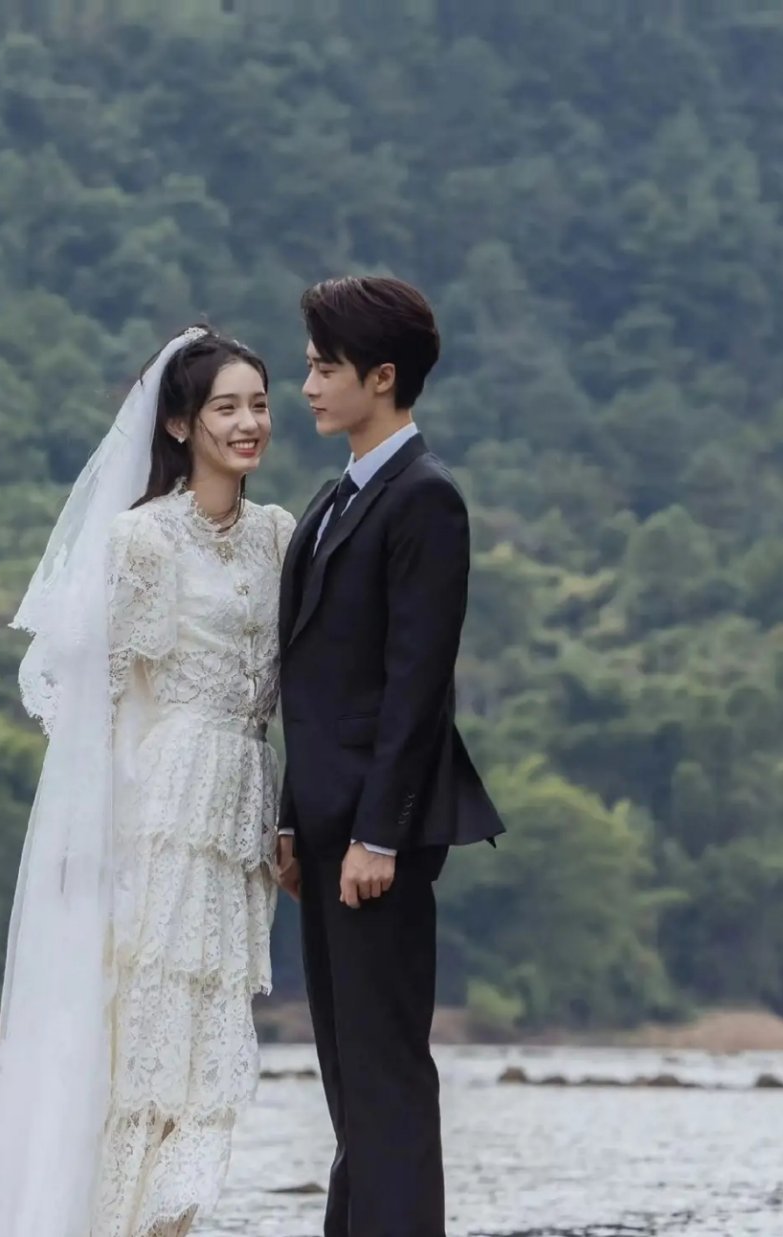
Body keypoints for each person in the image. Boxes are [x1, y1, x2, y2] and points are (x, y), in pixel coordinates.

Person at [0, 327, 295, 1237]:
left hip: (241, 815)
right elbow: (105, 702)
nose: (248, 422)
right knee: (149, 1049)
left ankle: (173, 1225)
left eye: (259, 403)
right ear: (178, 423)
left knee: (209, 1053)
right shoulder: (142, 540)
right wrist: (89, 847)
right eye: (226, 407)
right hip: (161, 813)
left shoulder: (279, 535)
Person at [276, 277, 505, 1237]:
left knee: (387, 1074)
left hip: (380, 838)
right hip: (325, 828)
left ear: (382, 376)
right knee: (348, 1076)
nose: (306, 386)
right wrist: (291, 820)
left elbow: (418, 685)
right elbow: (310, 681)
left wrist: (379, 835)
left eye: (324, 368)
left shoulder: (426, 499)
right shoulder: (334, 498)